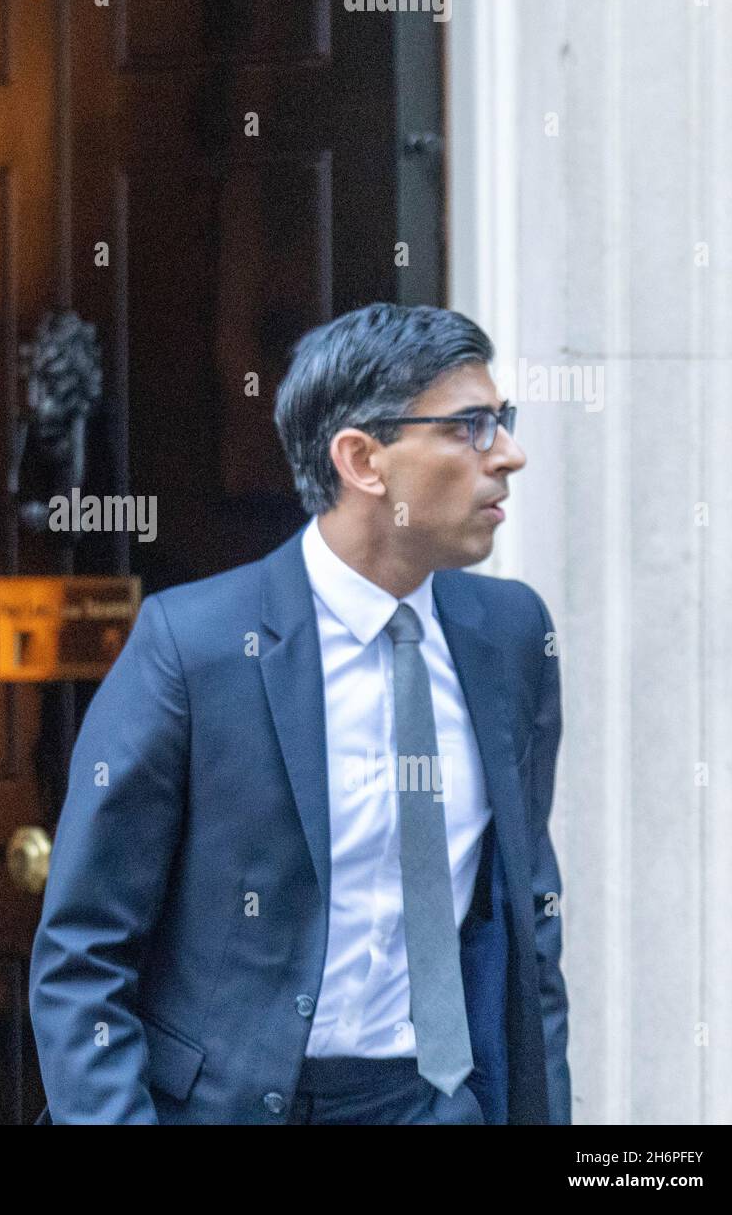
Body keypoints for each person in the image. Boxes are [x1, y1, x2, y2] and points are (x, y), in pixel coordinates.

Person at [28, 302, 571, 1124]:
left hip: (442, 1102)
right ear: (362, 459)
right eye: (471, 426)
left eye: (504, 421)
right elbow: (81, 953)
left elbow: (531, 927)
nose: (511, 455)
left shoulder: (513, 635)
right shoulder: (194, 646)